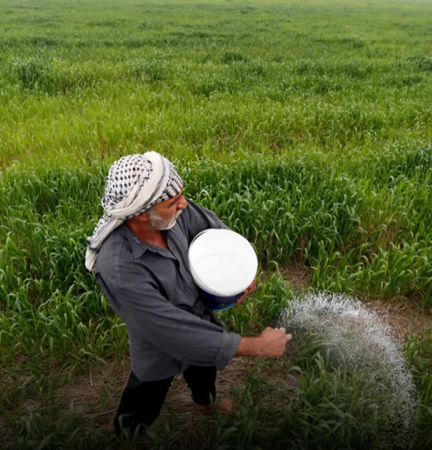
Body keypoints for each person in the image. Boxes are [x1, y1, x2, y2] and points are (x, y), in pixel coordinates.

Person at [85, 151, 291, 437]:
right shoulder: (119, 265)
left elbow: (212, 228)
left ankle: (206, 404)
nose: (183, 203)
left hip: (200, 319)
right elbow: (173, 332)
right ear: (142, 213)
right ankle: (125, 432)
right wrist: (258, 346)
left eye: (181, 194)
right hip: (158, 341)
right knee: (146, 394)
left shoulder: (170, 213)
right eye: (173, 201)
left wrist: (240, 273)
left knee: (204, 372)